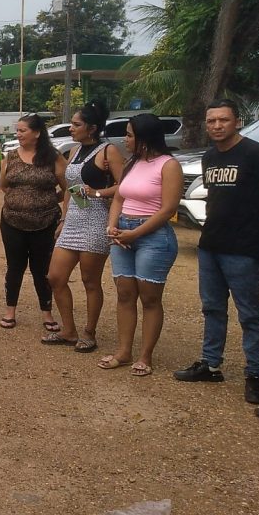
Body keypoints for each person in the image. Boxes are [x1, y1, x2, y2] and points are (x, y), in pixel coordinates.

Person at [171, 99, 259, 415]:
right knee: (212, 308)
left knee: (250, 314)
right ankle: (210, 365)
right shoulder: (211, 156)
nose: (217, 126)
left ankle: (255, 375)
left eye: (223, 120)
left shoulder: (257, 154)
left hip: (245, 248)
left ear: (237, 121)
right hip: (211, 244)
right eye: (211, 121)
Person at [97, 115, 182, 377]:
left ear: (145, 137)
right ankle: (124, 352)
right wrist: (112, 227)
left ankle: (145, 355)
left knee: (149, 297)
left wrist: (134, 234)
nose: (126, 139)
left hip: (152, 237)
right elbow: (119, 197)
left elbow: (168, 209)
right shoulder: (133, 163)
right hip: (122, 233)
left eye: (130, 135)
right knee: (124, 294)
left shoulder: (168, 165)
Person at [44, 101, 124, 352]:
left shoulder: (108, 151)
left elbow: (124, 186)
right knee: (55, 277)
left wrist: (99, 193)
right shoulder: (74, 151)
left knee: (90, 281)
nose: (71, 129)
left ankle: (89, 331)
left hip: (96, 221)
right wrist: (64, 219)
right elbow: (69, 187)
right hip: (73, 222)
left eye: (76, 125)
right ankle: (68, 329)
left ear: (91, 128)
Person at [0, 114, 65, 331]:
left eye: (22, 131)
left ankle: (47, 312)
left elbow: (68, 188)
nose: (18, 134)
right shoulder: (11, 156)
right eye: (17, 131)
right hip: (12, 221)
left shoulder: (53, 158)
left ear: (36, 133)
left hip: (45, 222)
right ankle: (10, 311)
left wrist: (46, 201)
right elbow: (4, 185)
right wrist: (21, 199)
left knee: (41, 268)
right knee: (14, 266)